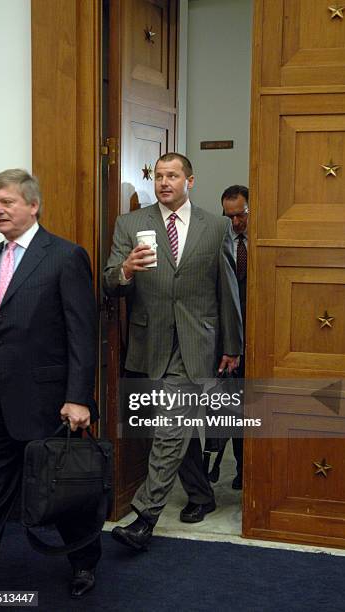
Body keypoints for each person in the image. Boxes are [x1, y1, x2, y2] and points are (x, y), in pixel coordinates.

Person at [103, 153, 243, 550]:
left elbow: (227, 290)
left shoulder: (216, 227)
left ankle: (144, 517)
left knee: (169, 428)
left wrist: (233, 346)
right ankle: (201, 494)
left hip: (199, 342)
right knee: (174, 429)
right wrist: (126, 269)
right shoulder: (130, 224)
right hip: (150, 344)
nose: (164, 182)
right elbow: (110, 282)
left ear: (190, 181)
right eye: (159, 176)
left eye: (173, 176)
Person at [0, 169, 100, 598]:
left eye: (6, 202)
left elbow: (81, 333)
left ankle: (84, 562)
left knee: (63, 497)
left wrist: (79, 398)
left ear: (33, 205)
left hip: (51, 405)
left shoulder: (65, 256)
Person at [206, 184, 248, 490]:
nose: (235, 222)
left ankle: (245, 470)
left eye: (240, 215)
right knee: (222, 405)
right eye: (228, 215)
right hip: (224, 339)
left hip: (258, 337)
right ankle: (214, 463)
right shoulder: (218, 240)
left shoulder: (262, 242)